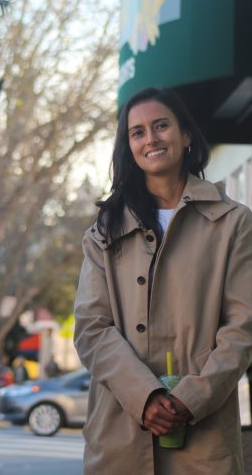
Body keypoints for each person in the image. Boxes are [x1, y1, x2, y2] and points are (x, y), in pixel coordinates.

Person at [74, 87, 252, 475]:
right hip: (119, 439)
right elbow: (91, 328)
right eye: (137, 132)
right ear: (129, 147)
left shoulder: (234, 222)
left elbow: (242, 328)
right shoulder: (104, 229)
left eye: (161, 126)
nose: (150, 139)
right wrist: (146, 396)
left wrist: (189, 399)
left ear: (186, 135)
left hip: (204, 441)